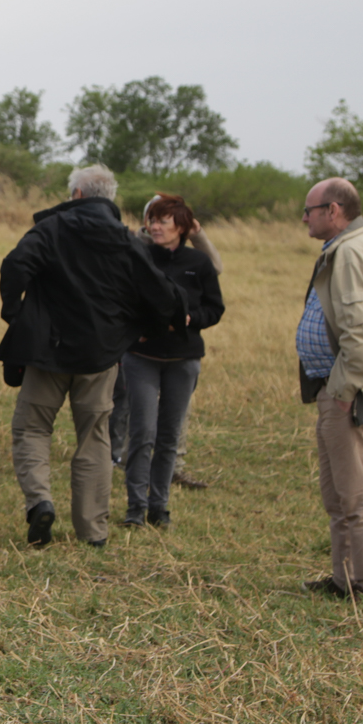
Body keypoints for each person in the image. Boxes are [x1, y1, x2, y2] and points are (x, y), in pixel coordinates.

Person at [0, 165, 183, 549]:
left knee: (32, 429)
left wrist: (16, 314)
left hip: (47, 352)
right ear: (108, 198)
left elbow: (16, 265)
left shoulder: (51, 229)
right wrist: (145, 327)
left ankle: (40, 501)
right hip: (100, 354)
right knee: (95, 437)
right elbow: (161, 292)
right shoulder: (124, 239)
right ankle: (93, 531)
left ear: (77, 195)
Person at [296, 177, 363, 601]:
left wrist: (342, 393)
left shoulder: (353, 253)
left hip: (345, 395)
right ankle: (344, 579)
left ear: (334, 211)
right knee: (337, 492)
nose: (305, 217)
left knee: (355, 493)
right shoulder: (344, 248)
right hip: (332, 388)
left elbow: (360, 334)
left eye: (310, 210)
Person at [120, 193, 224, 529]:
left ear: (182, 226)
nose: (155, 226)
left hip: (183, 358)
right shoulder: (139, 256)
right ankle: (135, 508)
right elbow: (123, 302)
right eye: (152, 220)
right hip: (141, 357)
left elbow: (215, 308)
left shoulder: (199, 263)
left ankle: (158, 507)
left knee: (169, 436)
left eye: (163, 221)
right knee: (142, 432)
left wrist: (191, 319)